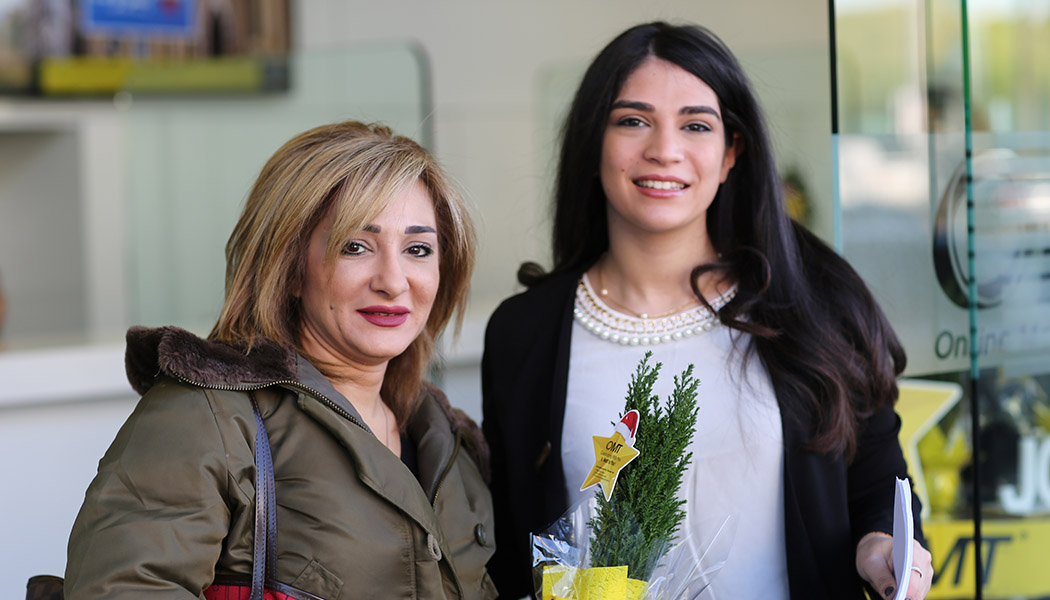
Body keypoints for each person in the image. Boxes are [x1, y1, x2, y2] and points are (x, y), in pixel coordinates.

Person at [481, 22, 933, 600]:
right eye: (633, 121)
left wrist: (882, 546)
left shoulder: (813, 303)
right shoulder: (524, 333)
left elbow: (878, 485)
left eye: (696, 125)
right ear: (593, 144)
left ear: (730, 154)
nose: (664, 150)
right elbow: (510, 545)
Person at [65, 121, 498, 599]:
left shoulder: (450, 443)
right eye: (355, 246)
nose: (393, 282)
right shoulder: (208, 417)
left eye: (418, 249)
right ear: (289, 268)